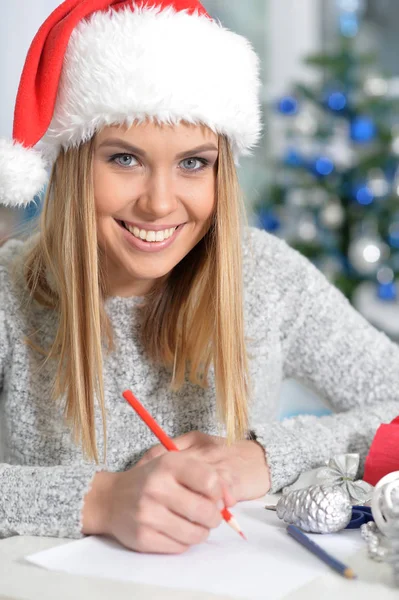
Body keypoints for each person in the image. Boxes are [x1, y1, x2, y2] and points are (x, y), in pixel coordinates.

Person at [0, 0, 398, 555]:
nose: (160, 203)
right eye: (124, 159)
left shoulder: (265, 278)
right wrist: (99, 501)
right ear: (71, 164)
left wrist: (264, 456)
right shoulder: (8, 292)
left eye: (193, 163)